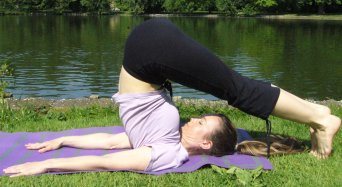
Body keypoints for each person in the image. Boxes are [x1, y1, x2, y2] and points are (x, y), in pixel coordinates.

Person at [3, 18, 340, 177]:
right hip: (152, 53)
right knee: (235, 88)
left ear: (205, 144)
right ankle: (318, 115)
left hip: (150, 54)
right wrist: (61, 141)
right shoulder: (167, 142)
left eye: (202, 122)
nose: (192, 118)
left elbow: (108, 152)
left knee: (236, 89)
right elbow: (109, 144)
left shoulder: (164, 152)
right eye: (201, 118)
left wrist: (51, 158)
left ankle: (320, 117)